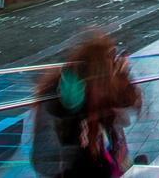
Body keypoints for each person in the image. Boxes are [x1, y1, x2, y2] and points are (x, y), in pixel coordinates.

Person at [31, 34, 142, 177]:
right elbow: (44, 162)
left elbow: (126, 107)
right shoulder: (57, 102)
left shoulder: (97, 99)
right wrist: (80, 151)